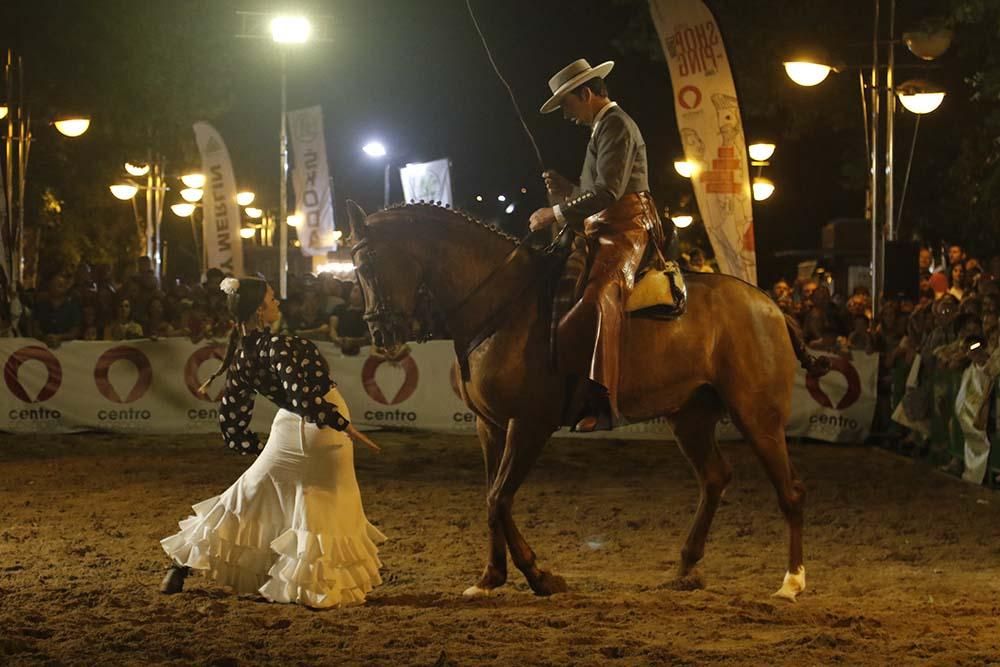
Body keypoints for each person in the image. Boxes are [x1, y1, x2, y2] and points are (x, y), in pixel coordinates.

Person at [160, 276, 385, 608]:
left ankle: (181, 564)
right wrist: (343, 424)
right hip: (319, 428)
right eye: (270, 298)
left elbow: (231, 421)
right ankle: (314, 586)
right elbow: (303, 396)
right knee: (323, 503)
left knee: (249, 493)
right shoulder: (278, 346)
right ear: (258, 309)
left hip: (291, 429)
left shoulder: (241, 356)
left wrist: (258, 449)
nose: (277, 301)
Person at [528, 57, 662, 432]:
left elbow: (608, 192)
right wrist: (568, 190)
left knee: (598, 297)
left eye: (566, 105)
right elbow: (595, 192)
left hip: (628, 228)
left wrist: (554, 212)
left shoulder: (616, 124)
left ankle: (604, 404)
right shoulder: (604, 127)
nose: (566, 115)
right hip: (602, 226)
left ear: (586, 93)